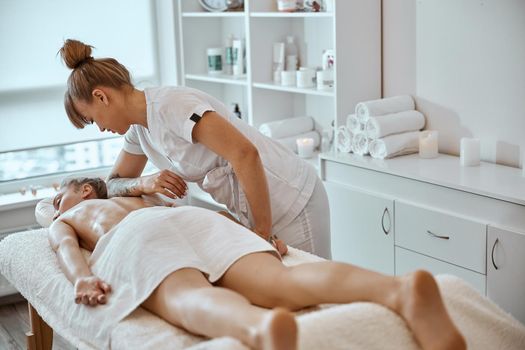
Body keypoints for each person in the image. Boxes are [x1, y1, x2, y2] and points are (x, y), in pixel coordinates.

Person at [49, 177, 466, 350]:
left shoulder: (71, 218)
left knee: (185, 296)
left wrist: (83, 279)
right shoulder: (141, 196)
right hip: (192, 218)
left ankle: (260, 329)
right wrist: (251, 236)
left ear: (86, 191)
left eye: (55, 200)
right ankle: (398, 290)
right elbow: (205, 216)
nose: (53, 210)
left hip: (138, 237)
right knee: (281, 281)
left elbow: (68, 250)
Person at [58, 39, 331, 259]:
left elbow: (244, 154)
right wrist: (145, 182)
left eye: (92, 119)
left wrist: (261, 233)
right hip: (256, 210)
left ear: (101, 97)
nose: (100, 128)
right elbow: (113, 185)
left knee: (316, 299)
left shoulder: (172, 106)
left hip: (291, 198)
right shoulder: (139, 130)